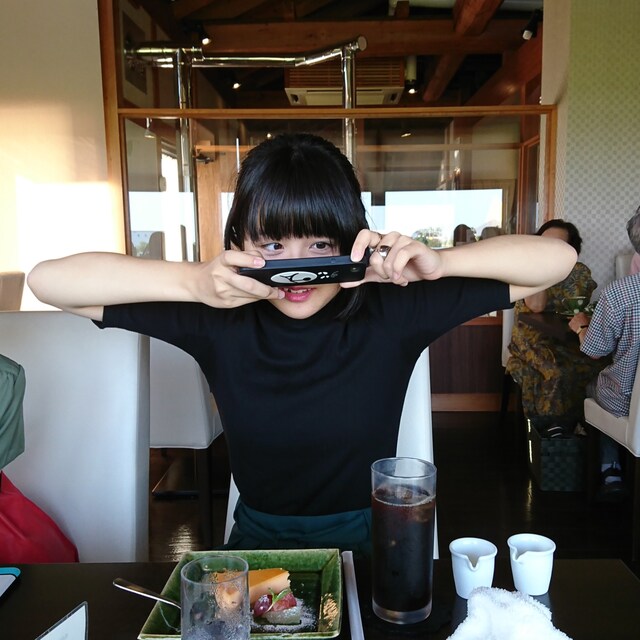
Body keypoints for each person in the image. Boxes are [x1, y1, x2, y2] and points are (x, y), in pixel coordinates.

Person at [27, 133, 576, 555]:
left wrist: (441, 264)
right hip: (255, 548)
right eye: (272, 245)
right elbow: (49, 281)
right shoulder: (218, 314)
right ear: (240, 241)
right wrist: (193, 281)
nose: (298, 271)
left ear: (353, 240)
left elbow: (557, 261)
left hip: (370, 544)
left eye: (319, 245)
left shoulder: (392, 309)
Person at [506, 219, 604, 432]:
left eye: (556, 245)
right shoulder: (527, 268)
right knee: (557, 371)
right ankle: (552, 431)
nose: (547, 249)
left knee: (599, 366)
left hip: (568, 338)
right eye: (543, 243)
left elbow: (575, 304)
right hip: (530, 338)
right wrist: (542, 267)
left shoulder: (578, 272)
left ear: (571, 251)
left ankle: (582, 427)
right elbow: (536, 306)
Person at [569, 210, 640, 499]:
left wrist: (581, 326)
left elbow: (595, 351)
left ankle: (611, 470)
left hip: (629, 404)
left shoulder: (621, 293)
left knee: (592, 385)